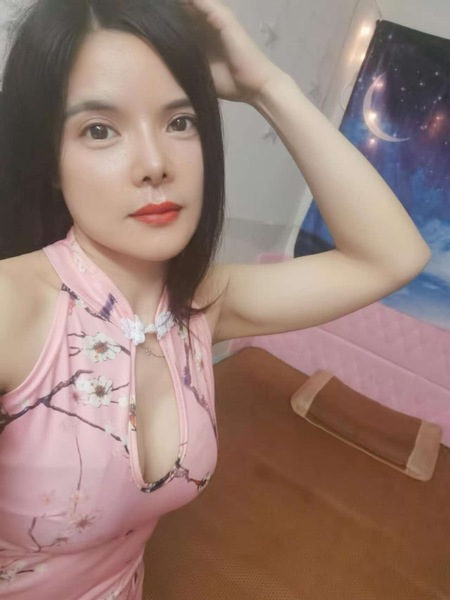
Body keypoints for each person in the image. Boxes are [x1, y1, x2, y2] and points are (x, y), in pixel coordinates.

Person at [0, 0, 430, 597]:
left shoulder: (205, 303)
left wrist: (266, 87)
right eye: (100, 130)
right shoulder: (12, 308)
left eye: (181, 121)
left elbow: (392, 257)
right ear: (50, 159)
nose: (155, 164)